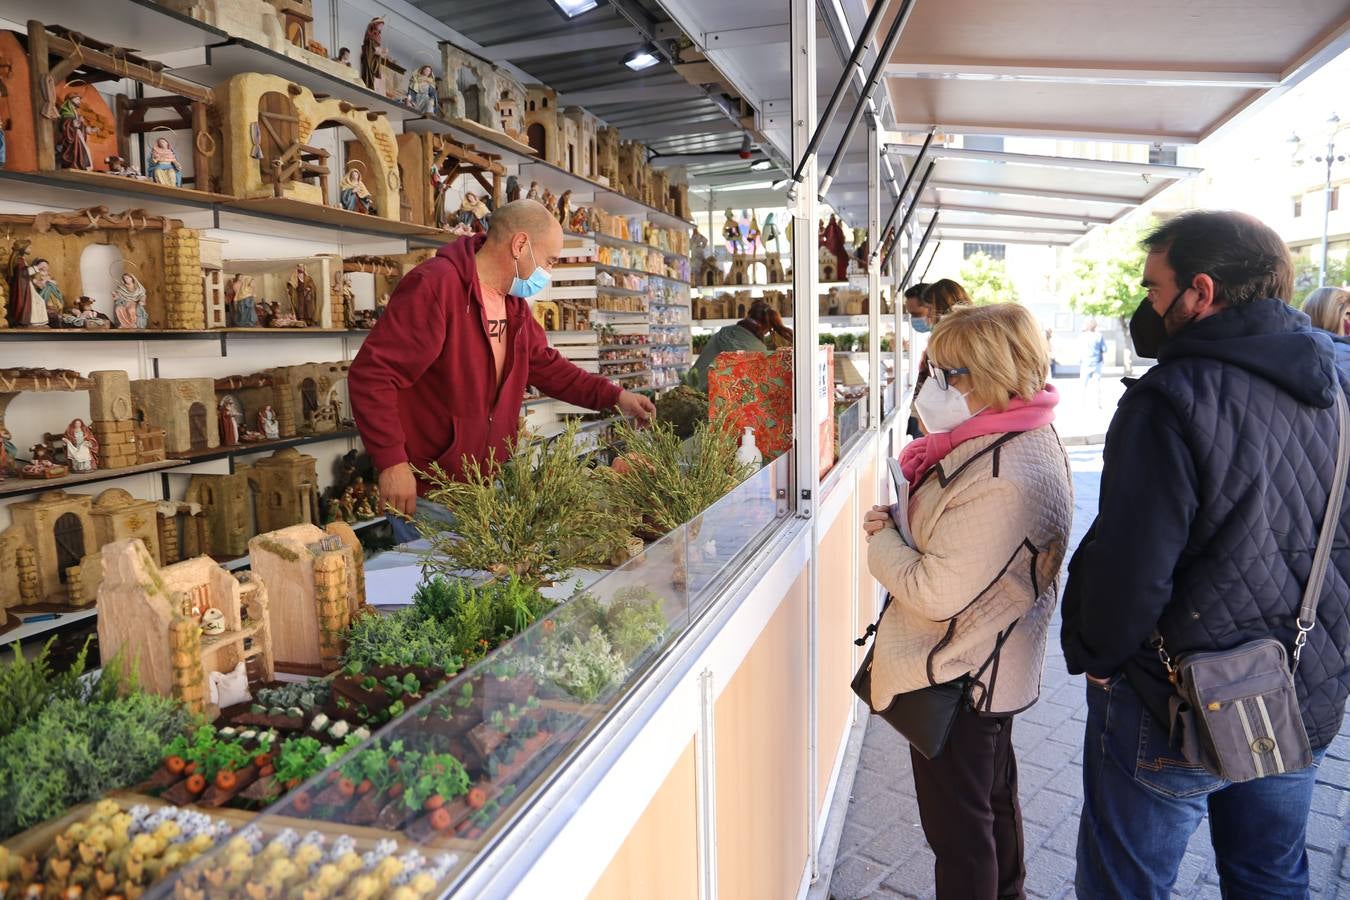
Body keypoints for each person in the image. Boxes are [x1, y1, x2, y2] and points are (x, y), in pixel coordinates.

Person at [1061, 211, 1350, 899]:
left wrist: (1098, 657)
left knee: (1125, 886)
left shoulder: (1169, 399)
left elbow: (1132, 567)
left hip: (1174, 698)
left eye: (1154, 288)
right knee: (1271, 878)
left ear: (1200, 291)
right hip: (1295, 687)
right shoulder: (1338, 389)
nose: (1146, 305)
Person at [863, 302, 1072, 900]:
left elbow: (934, 591)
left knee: (960, 835)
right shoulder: (1018, 433)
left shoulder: (1003, 468)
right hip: (986, 667)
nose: (933, 386)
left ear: (986, 374)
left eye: (945, 374)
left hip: (960, 673)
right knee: (990, 805)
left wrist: (882, 541)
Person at [349, 199, 656, 543]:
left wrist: (616, 397)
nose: (548, 273)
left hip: (484, 489)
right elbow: (373, 374)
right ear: (520, 245)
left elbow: (548, 367)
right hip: (429, 494)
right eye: (550, 260)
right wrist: (392, 462)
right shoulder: (437, 285)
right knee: (439, 595)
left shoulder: (514, 306)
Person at [905, 279, 973, 438]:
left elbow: (949, 381)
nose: (928, 315)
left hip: (947, 418)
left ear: (943, 305)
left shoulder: (954, 339)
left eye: (929, 308)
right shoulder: (945, 337)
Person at [686, 299, 793, 393]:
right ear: (766, 327)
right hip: (716, 407)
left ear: (748, 315)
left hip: (689, 391)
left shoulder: (722, 333)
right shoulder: (758, 349)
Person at [1078, 318, 1106, 407]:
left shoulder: (1082, 336)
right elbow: (1104, 349)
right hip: (1097, 362)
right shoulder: (1099, 336)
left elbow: (1079, 349)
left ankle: (1081, 403)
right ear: (1095, 326)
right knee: (1097, 384)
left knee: (1083, 384)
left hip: (1085, 362)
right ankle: (1098, 403)